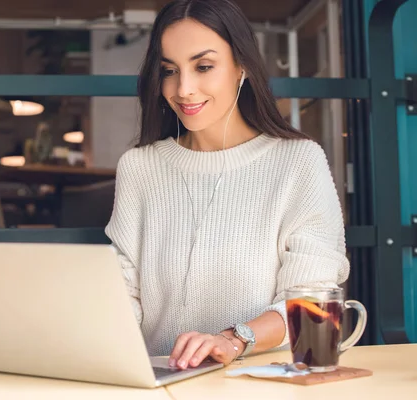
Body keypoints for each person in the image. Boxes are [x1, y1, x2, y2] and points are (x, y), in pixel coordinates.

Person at [105, 0, 350, 371]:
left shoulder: (298, 161)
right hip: (158, 381)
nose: (184, 89)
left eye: (203, 66)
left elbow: (312, 301)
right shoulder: (140, 168)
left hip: (262, 382)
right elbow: (123, 292)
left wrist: (233, 340)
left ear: (243, 67)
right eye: (170, 70)